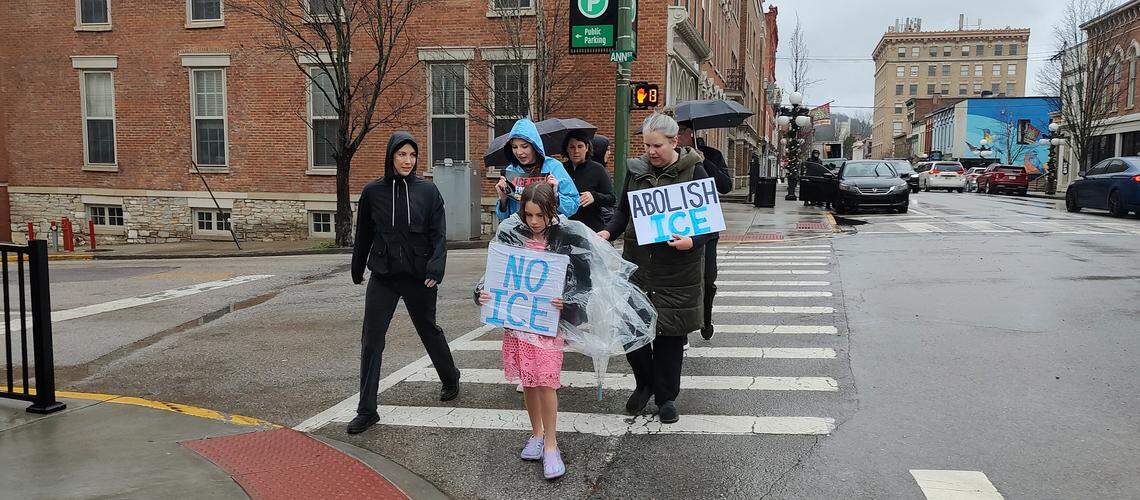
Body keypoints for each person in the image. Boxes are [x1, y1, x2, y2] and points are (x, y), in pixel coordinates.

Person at [597, 113, 714, 424]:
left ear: (674, 142)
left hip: (678, 270)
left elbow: (711, 224)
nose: (650, 151)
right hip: (640, 264)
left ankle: (666, 397)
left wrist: (693, 240)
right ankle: (644, 383)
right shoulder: (635, 172)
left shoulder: (696, 172)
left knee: (670, 336)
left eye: (657, 145)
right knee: (633, 329)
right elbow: (623, 210)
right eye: (646, 145)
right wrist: (608, 231)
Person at [348, 132, 461, 435]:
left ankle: (450, 377)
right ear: (390, 156)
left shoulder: (428, 191)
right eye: (401, 155)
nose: (407, 161)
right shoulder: (373, 192)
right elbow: (364, 234)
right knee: (372, 340)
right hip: (383, 275)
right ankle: (367, 410)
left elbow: (438, 234)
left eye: (412, 155)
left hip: (418, 275)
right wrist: (358, 268)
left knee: (428, 330)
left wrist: (436, 270)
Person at [476, 183, 591, 480]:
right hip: (518, 322)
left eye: (540, 215)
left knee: (547, 382)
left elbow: (583, 280)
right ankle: (536, 433)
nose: (534, 221)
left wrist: (568, 301)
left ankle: (552, 443)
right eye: (528, 215)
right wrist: (483, 293)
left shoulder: (567, 236)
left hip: (548, 323)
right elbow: (495, 272)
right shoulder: (511, 233)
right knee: (529, 381)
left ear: (552, 210)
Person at [680, 125, 732, 342]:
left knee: (708, 278)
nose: (678, 135)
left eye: (682, 131)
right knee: (680, 280)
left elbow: (726, 186)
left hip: (705, 228)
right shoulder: (670, 160)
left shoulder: (712, 155)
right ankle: (680, 328)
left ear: (690, 133)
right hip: (680, 227)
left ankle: (706, 318)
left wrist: (704, 161)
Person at [494, 118, 580, 220]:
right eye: (514, 147)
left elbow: (574, 205)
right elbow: (504, 217)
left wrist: (555, 196)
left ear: (534, 146)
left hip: (550, 232)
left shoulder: (554, 167)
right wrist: (503, 200)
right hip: (520, 232)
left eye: (524, 146)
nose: (519, 152)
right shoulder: (511, 170)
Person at [562, 131, 615, 232]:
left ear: (587, 148)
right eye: (572, 147)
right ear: (567, 149)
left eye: (580, 146)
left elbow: (611, 199)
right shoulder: (560, 169)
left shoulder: (597, 169)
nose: (576, 151)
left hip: (591, 228)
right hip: (566, 227)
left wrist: (594, 196)